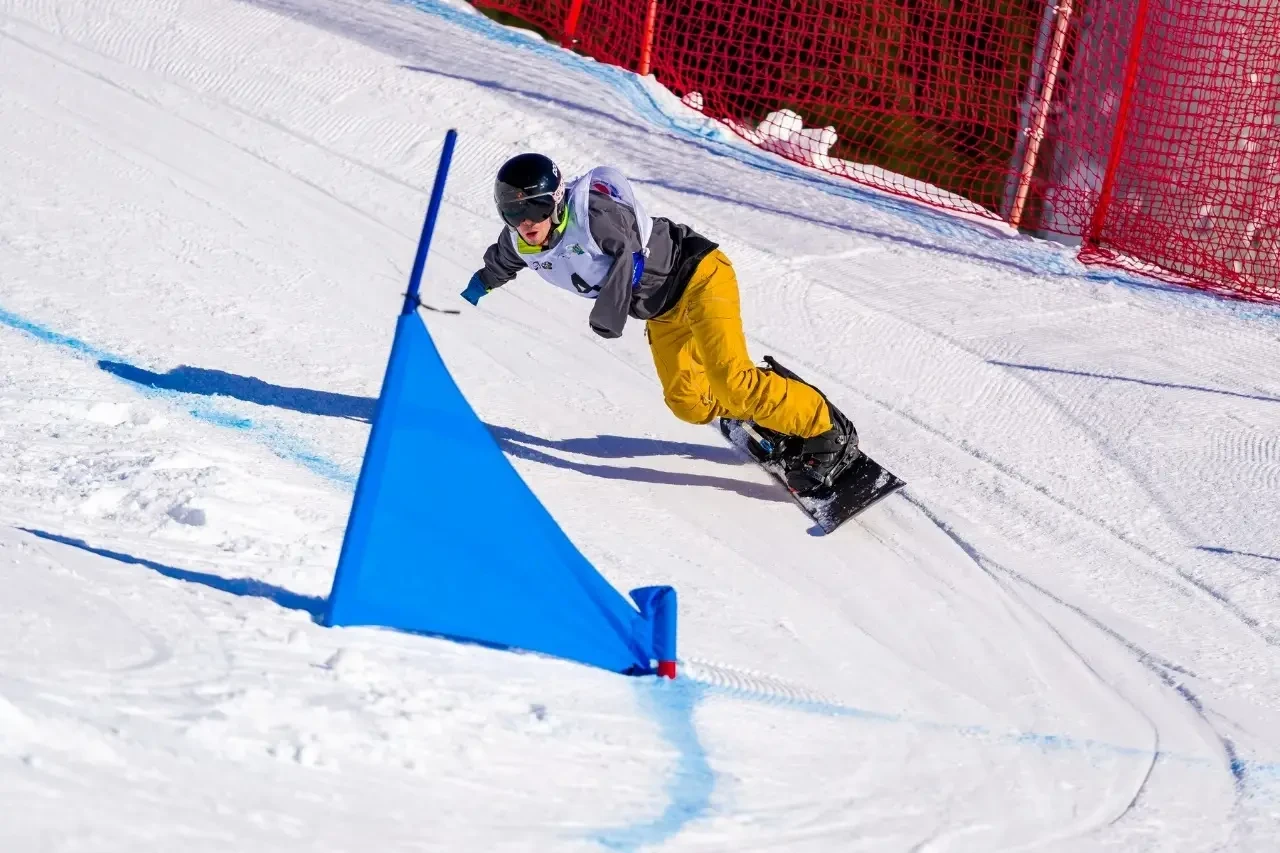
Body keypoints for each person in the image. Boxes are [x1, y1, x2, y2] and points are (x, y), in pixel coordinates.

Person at [460, 152, 859, 494]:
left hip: (699, 276)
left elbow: (630, 256)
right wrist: (477, 287)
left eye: (536, 208)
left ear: (558, 200)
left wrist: (608, 316)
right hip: (663, 313)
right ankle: (772, 409)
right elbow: (503, 260)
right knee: (689, 404)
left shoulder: (595, 216)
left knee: (732, 382)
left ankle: (826, 429)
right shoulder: (520, 240)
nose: (526, 221)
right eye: (513, 212)